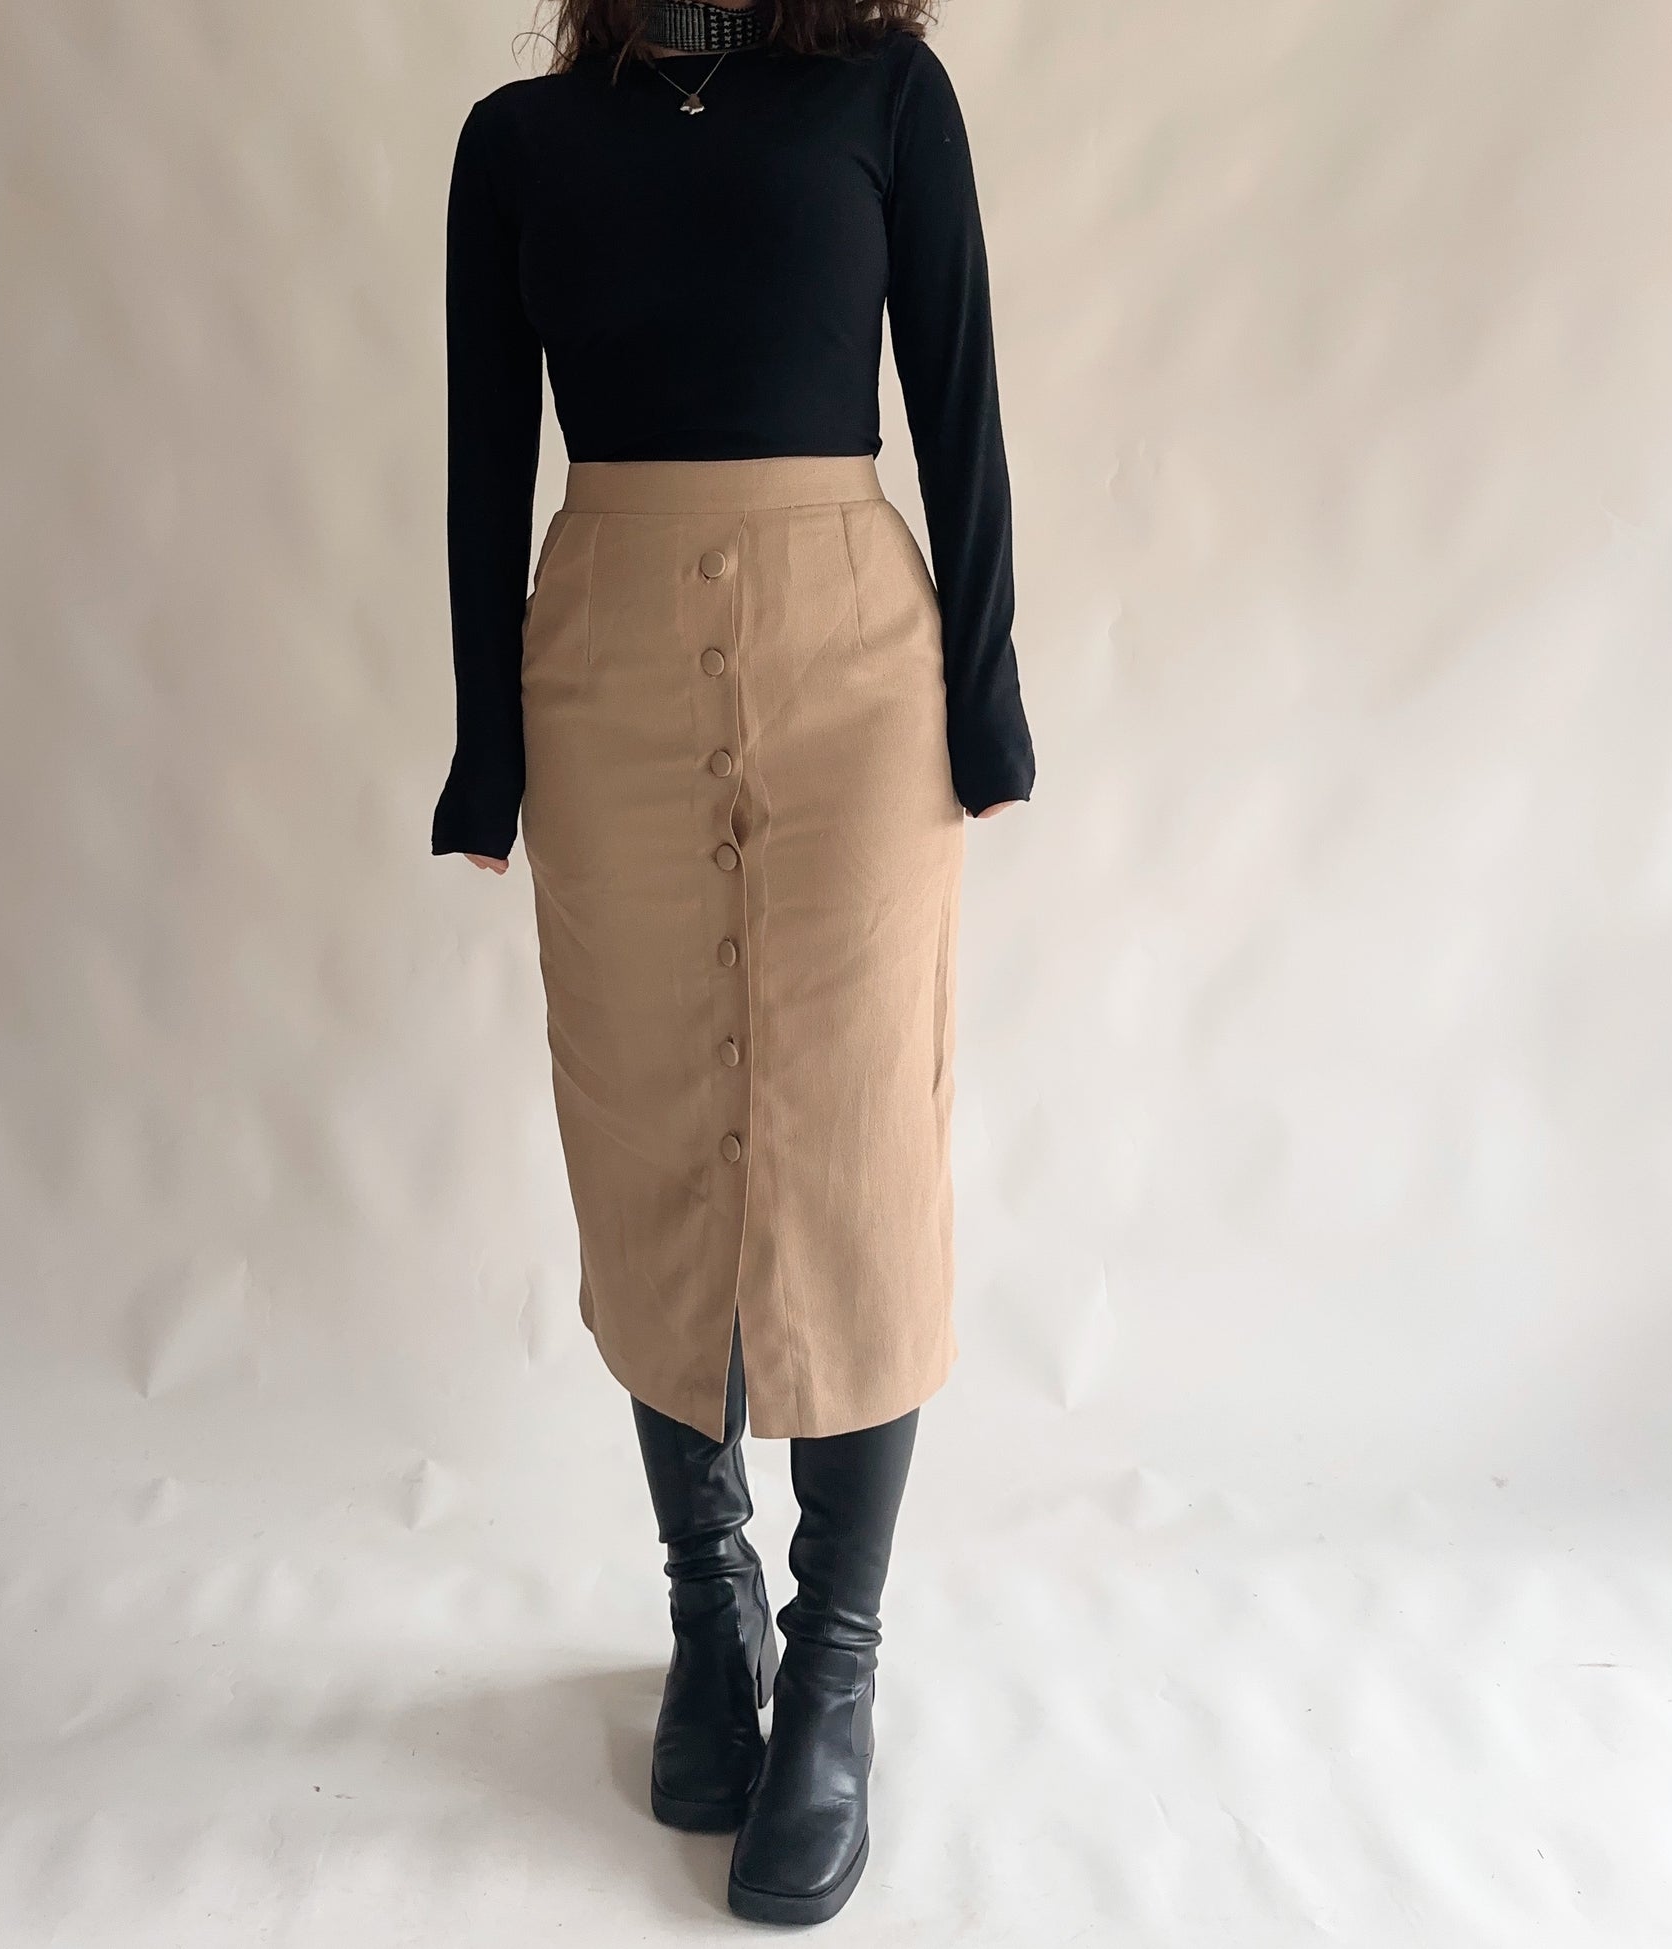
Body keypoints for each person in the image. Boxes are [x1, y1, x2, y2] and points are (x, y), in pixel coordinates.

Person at [431, 0, 1033, 1923]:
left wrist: (986, 700)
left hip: (856, 677)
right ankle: (710, 1612)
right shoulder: (517, 146)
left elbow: (955, 397)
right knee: (649, 1133)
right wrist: (486, 744)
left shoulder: (884, 98)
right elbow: (481, 454)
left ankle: (832, 1656)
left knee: (854, 1146)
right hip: (600, 668)